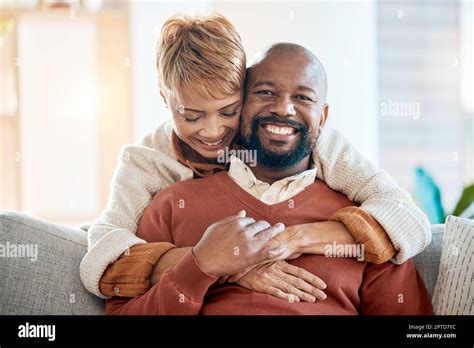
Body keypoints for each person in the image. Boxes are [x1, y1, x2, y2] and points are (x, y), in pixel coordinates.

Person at [80, 13, 431, 301]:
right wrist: (219, 263)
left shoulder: (311, 142)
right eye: (191, 116)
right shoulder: (146, 164)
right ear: (165, 100)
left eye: (228, 111)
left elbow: (409, 220)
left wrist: (288, 240)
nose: (213, 131)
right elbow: (103, 259)